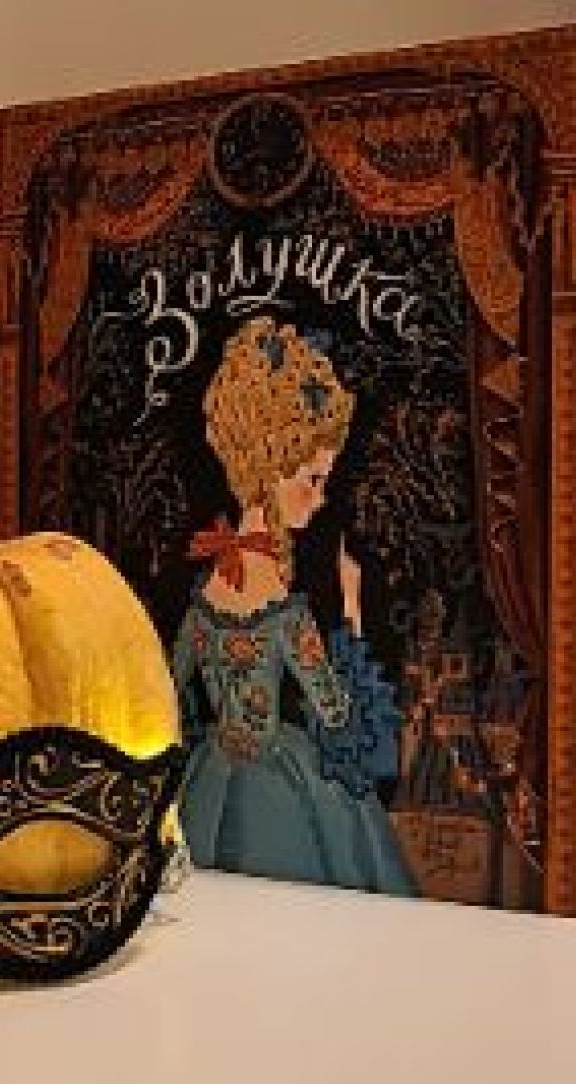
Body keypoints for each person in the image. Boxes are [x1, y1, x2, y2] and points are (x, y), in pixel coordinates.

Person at [171, 317, 414, 894]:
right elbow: (339, 718)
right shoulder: (282, 606)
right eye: (312, 478)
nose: (321, 496)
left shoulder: (210, 584)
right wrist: (351, 610)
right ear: (270, 470)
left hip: (209, 782)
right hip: (283, 790)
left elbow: (171, 692)